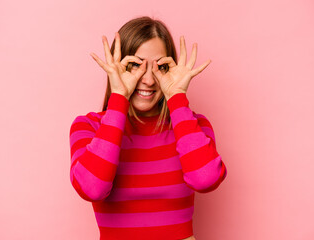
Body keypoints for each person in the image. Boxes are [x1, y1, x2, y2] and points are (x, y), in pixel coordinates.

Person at [69, 16, 227, 240]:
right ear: (117, 66)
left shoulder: (193, 125)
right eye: (135, 65)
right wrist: (119, 97)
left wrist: (177, 97)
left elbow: (205, 179)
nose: (149, 80)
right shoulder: (89, 126)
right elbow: (92, 189)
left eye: (160, 67)